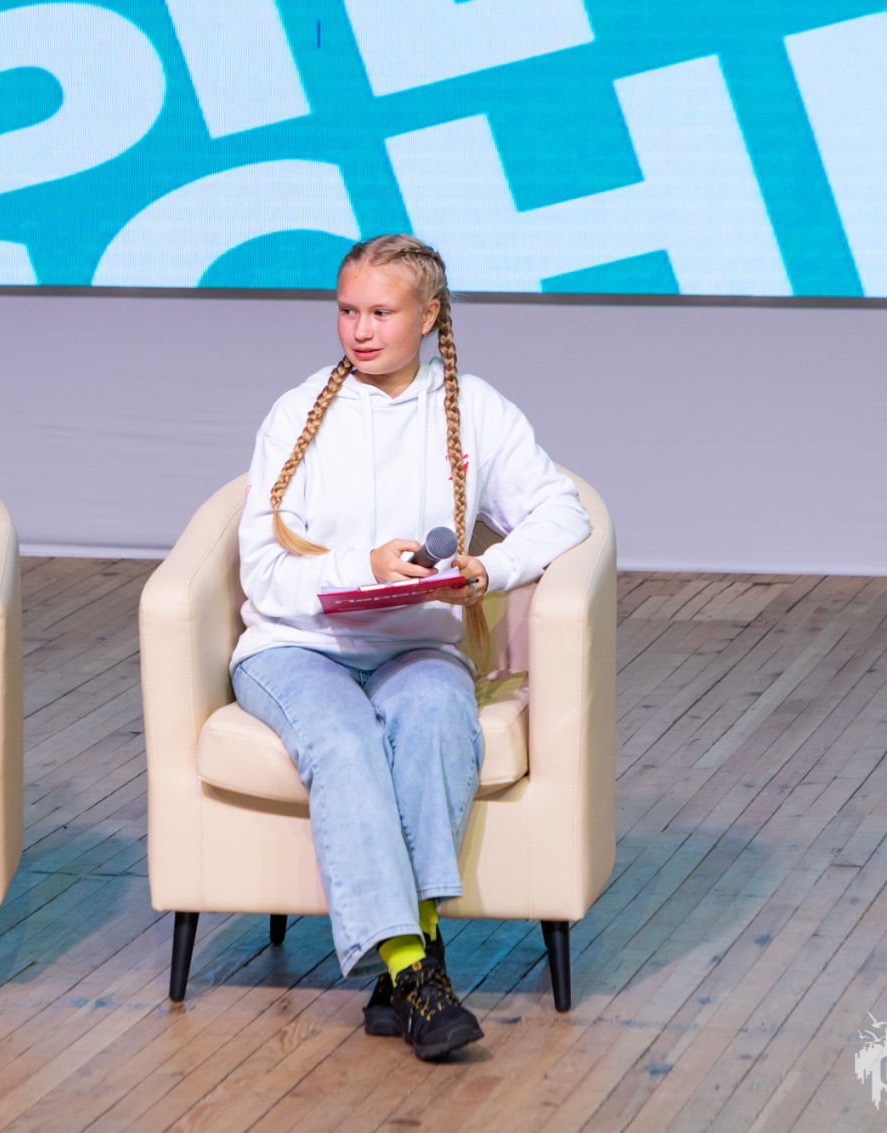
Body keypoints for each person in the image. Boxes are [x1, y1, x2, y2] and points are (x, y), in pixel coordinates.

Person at [231, 234, 591, 1061]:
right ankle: (416, 970)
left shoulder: (476, 409)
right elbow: (263, 573)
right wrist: (363, 566)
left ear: (428, 316)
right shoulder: (296, 413)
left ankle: (404, 971)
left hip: (415, 642)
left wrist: (488, 569)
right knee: (343, 738)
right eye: (347, 310)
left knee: (435, 718)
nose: (359, 330)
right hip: (297, 646)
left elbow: (561, 511)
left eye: (381, 312)